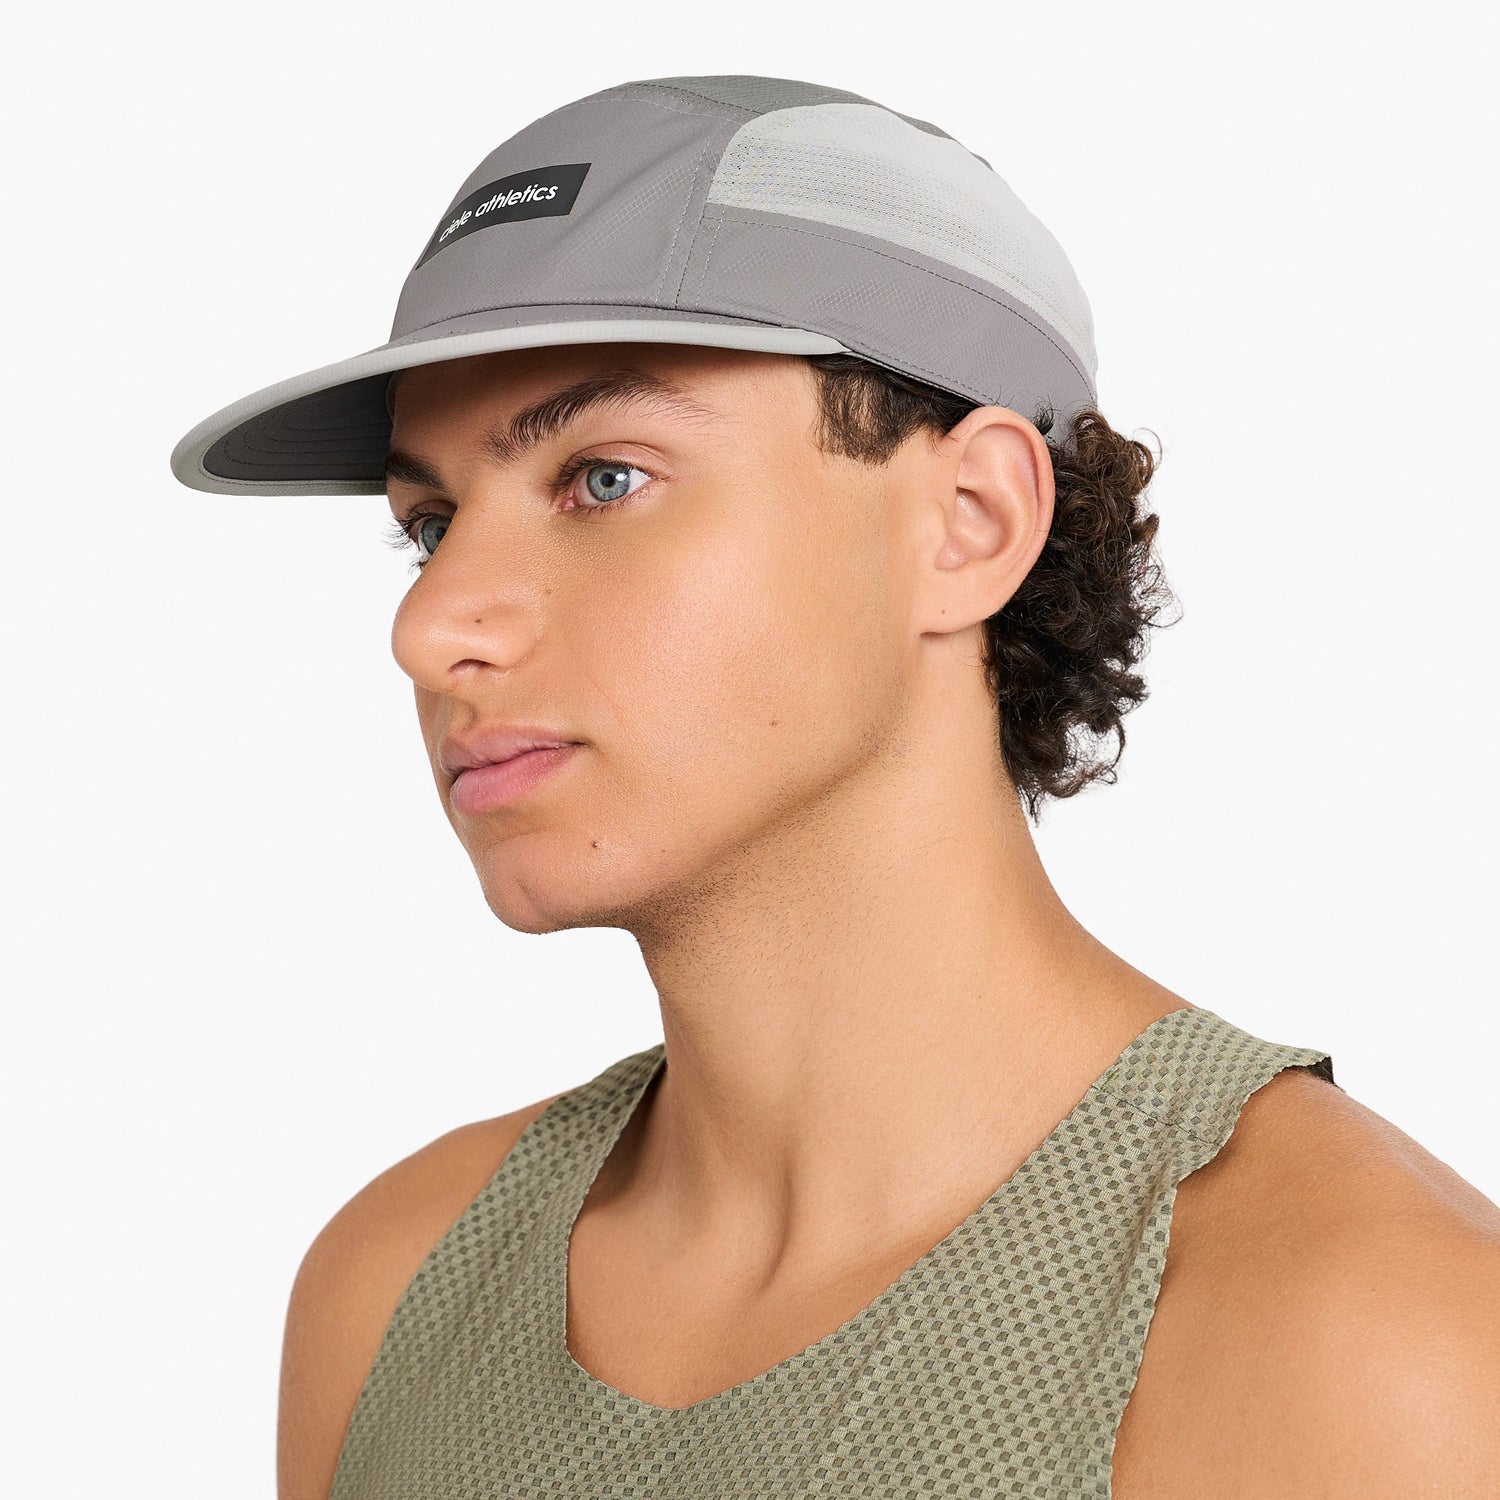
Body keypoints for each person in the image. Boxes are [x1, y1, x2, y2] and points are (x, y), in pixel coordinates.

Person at [171, 74, 1500, 1500]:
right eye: (431, 524)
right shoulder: (394, 1289)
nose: (432, 628)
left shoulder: (1368, 1344)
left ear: (968, 521)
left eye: (603, 478)